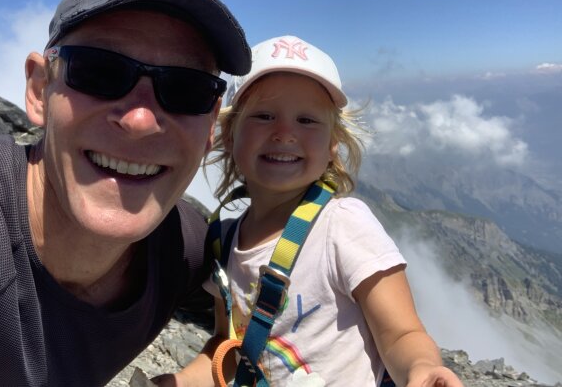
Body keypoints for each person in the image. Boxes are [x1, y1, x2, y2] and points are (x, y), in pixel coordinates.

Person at [0, 0, 251, 386]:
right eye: (100, 72)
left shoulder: (181, 249)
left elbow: (261, 321)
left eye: (186, 89)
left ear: (211, 125)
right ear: (40, 89)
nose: (139, 120)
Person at [157, 36, 463, 386]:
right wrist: (180, 382)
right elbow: (227, 349)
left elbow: (401, 334)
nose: (285, 133)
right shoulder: (222, 241)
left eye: (307, 120)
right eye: (264, 116)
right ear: (230, 135)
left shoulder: (345, 225)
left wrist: (421, 367)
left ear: (333, 144)